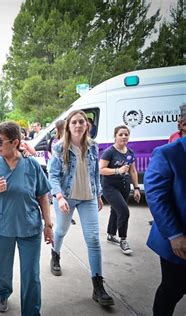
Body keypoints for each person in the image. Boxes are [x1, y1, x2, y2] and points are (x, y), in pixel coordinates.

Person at [0, 122, 53, 315]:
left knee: (31, 274)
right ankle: (3, 293)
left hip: (29, 226)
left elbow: (43, 196)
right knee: (1, 268)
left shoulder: (31, 165)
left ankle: (31, 311)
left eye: (0, 141)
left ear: (15, 142)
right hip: (1, 227)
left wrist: (49, 225)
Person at [48, 110, 114, 306]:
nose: (78, 125)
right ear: (68, 126)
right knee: (61, 230)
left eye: (81, 122)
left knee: (93, 239)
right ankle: (55, 254)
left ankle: (98, 286)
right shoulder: (60, 148)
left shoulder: (93, 146)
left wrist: (98, 194)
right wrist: (59, 197)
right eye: (74, 122)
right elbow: (52, 175)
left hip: (88, 198)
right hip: (66, 198)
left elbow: (95, 173)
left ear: (87, 125)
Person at [145, 137, 186, 316]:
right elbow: (156, 196)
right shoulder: (168, 153)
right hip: (180, 241)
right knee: (172, 289)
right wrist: (175, 234)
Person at [100, 126, 141, 255]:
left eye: (126, 134)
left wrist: (136, 188)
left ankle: (111, 235)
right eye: (121, 134)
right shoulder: (109, 152)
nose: (124, 137)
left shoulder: (130, 152)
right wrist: (117, 170)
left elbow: (133, 170)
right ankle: (123, 239)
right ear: (115, 136)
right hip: (109, 186)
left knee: (115, 210)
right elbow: (101, 169)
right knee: (124, 211)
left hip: (124, 186)